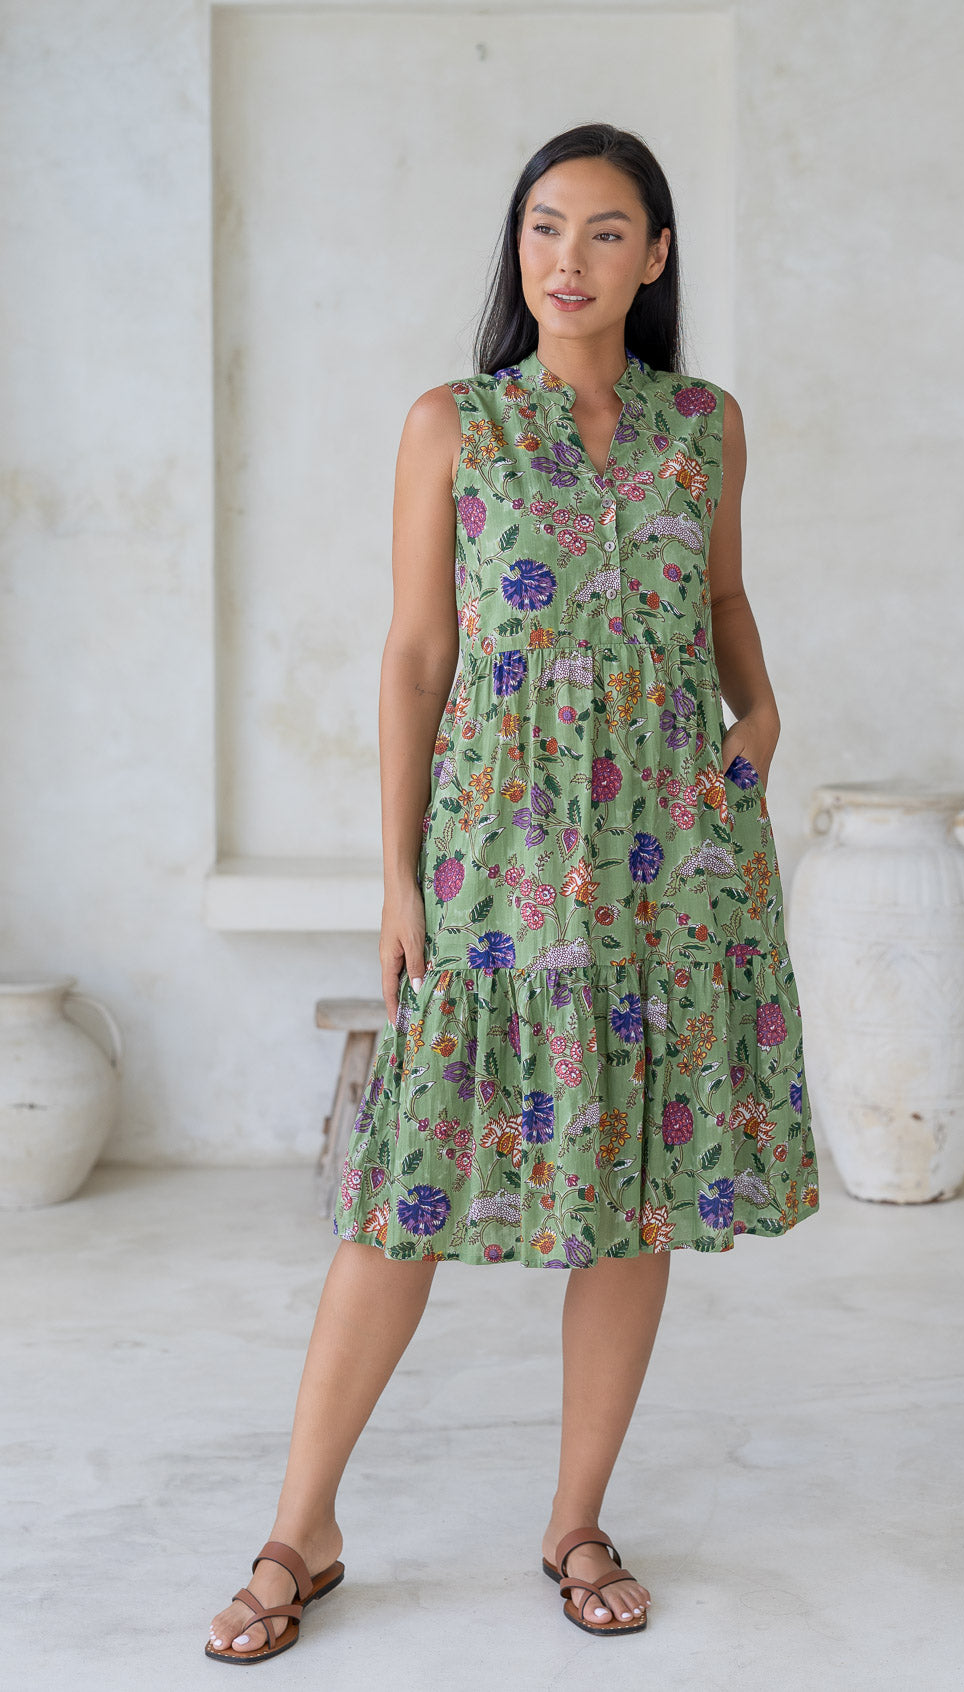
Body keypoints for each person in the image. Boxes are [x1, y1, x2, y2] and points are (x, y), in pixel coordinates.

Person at [206, 120, 819, 1664]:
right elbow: (420, 658)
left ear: (657, 257)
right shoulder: (453, 427)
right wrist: (398, 874)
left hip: (676, 854)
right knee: (403, 1193)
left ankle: (576, 1521)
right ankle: (302, 1530)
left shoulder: (707, 427)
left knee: (631, 1181)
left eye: (607, 232)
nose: (569, 260)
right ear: (517, 250)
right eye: (546, 228)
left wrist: (763, 710)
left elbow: (726, 596)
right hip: (498, 855)